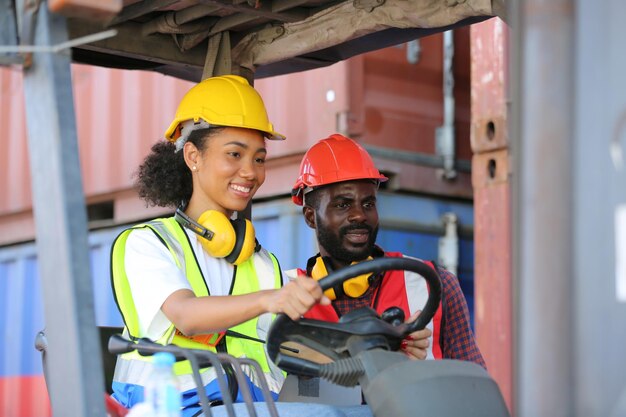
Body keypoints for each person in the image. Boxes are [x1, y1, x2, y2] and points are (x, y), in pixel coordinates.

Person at [109, 75, 335, 417]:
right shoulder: (147, 244)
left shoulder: (262, 262)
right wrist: (268, 299)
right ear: (193, 156)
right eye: (234, 154)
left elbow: (291, 354)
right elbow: (186, 316)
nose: (250, 173)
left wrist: (381, 345)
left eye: (259, 159)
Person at [291, 133, 486, 367]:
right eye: (342, 205)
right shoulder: (287, 300)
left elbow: (474, 388)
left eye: (368, 204)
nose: (359, 215)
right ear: (311, 217)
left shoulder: (435, 285)